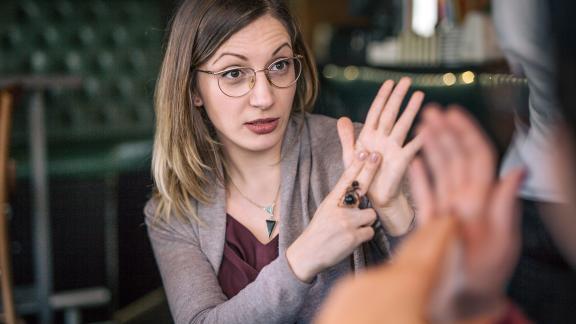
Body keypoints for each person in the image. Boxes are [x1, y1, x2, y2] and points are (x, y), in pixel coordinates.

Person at [144, 0, 423, 322]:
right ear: (193, 88)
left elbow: (439, 295)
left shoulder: (356, 154)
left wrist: (394, 210)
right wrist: (302, 260)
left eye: (279, 65)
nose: (264, 98)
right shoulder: (174, 210)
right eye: (234, 73)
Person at [315, 106, 529, 324]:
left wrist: (394, 213)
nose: (276, 98)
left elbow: (401, 287)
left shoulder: (352, 147)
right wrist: (296, 264)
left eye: (280, 68)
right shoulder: (353, 303)